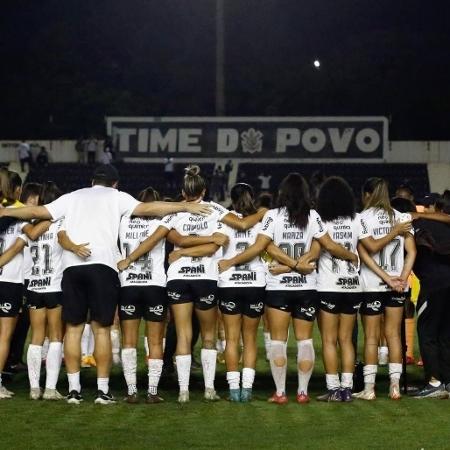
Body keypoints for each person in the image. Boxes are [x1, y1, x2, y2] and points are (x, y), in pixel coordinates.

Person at [0, 164, 212, 404]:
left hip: (72, 268)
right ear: (114, 184)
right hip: (103, 266)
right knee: (101, 329)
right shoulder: (117, 196)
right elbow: (148, 208)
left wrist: (6, 212)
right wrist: (184, 205)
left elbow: (37, 212)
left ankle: (73, 391)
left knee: (73, 329)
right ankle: (102, 391)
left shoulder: (72, 197)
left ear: (92, 181)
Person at [117, 165, 267, 403]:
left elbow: (169, 239)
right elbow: (229, 234)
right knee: (208, 335)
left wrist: (178, 254)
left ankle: (183, 392)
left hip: (178, 278)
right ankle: (209, 390)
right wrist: (263, 212)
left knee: (184, 335)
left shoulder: (174, 213)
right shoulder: (215, 209)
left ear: (183, 192)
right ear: (204, 190)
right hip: (206, 278)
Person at [219, 173, 358, 404]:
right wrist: (351, 255)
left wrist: (232, 262)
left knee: (278, 341)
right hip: (306, 287)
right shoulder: (313, 216)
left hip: (278, 288)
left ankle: (281, 392)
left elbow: (261, 247)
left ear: (282, 193)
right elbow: (328, 246)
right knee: (305, 340)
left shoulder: (273, 216)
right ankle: (302, 392)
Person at [315, 177, 408, 402]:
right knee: (348, 340)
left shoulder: (320, 221)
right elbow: (375, 247)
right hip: (354, 287)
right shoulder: (357, 219)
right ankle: (348, 389)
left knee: (330, 340)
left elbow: (317, 251)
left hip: (332, 285)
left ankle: (335, 389)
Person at [355, 177, 416, 401]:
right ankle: (395, 388)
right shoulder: (401, 217)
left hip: (372, 284)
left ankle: (369, 389)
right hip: (397, 287)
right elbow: (412, 252)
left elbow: (366, 253)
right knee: (393, 336)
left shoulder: (362, 218)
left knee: (371, 337)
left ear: (367, 194)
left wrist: (386, 278)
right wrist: (401, 277)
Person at [216, 183, 266, 402]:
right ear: (252, 197)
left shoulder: (225, 219)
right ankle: (247, 389)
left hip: (229, 283)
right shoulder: (262, 220)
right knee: (251, 339)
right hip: (255, 283)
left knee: (232, 339)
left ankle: (234, 390)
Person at [118, 187, 168, 404]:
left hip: (128, 284)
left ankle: (131, 391)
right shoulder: (162, 221)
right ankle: (152, 391)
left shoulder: (123, 221)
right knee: (155, 340)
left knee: (128, 341)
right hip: (154, 285)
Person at [25, 182, 65, 400]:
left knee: (36, 337)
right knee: (56, 336)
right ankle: (50, 388)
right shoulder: (60, 222)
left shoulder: (30, 223)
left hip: (34, 284)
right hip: (54, 285)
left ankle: (33, 388)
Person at [412, 195, 450, 398]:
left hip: (433, 284)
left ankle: (434, 381)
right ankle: (447, 381)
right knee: (445, 334)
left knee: (427, 332)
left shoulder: (421, 224)